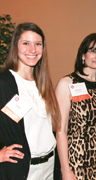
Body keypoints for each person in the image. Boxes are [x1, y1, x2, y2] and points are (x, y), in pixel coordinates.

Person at [0, 22, 60, 179]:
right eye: (26, 43)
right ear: (15, 46)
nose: (33, 50)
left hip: (49, 167)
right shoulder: (4, 82)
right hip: (23, 171)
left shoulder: (44, 83)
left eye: (38, 44)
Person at [55, 33, 96, 180]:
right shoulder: (67, 83)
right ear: (83, 55)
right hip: (77, 160)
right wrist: (66, 171)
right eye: (93, 50)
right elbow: (60, 130)